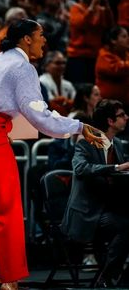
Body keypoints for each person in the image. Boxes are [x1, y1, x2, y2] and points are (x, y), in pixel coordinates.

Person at [0, 19, 103, 290]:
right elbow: (39, 115)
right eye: (40, 35)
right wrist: (79, 127)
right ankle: (10, 281)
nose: (44, 40)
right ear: (26, 39)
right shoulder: (24, 67)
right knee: (8, 206)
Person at [61, 99, 129, 288]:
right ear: (110, 121)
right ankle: (106, 278)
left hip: (108, 207)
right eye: (122, 115)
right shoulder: (86, 143)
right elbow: (81, 168)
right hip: (88, 213)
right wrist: (116, 167)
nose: (127, 118)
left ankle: (122, 276)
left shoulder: (119, 144)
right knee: (125, 226)